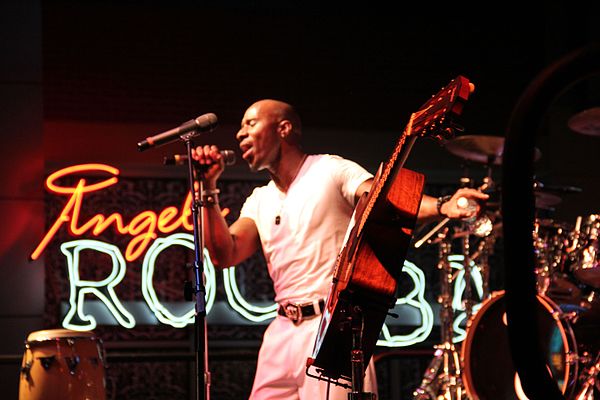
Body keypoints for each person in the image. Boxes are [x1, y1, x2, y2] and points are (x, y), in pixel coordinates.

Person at [192, 99, 488, 400]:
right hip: (281, 332)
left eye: (250, 123)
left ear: (283, 128)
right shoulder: (259, 199)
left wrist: (442, 205)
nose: (240, 134)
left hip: (331, 330)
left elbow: (383, 198)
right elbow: (224, 253)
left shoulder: (329, 170)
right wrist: (206, 190)